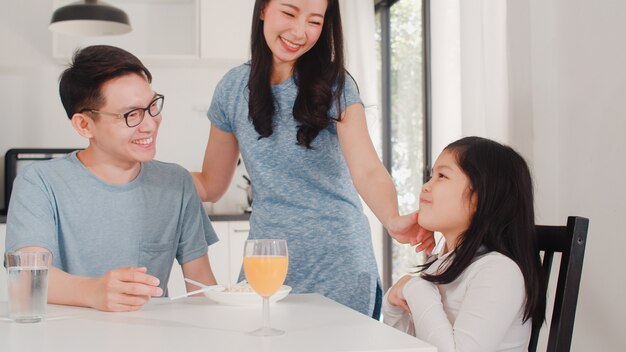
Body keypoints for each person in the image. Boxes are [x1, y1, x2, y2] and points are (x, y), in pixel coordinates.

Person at [192, 0, 428, 318]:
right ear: (263, 9)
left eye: (314, 21)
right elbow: (211, 184)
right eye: (289, 13)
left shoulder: (334, 85)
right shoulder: (232, 89)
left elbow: (368, 169)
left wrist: (392, 219)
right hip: (268, 264)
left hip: (339, 263)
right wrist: (144, 171)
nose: (299, 32)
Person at [5, 45, 218, 312]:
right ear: (84, 125)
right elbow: (26, 280)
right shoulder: (39, 183)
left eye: (152, 106)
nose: (150, 124)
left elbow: (201, 286)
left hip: (152, 338)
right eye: (131, 115)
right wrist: (94, 292)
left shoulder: (176, 182)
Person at [382, 136, 547, 352]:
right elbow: (403, 346)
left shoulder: (499, 271)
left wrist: (415, 287)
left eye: (442, 176)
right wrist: (393, 305)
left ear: (480, 198)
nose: (426, 186)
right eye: (431, 176)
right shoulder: (442, 265)